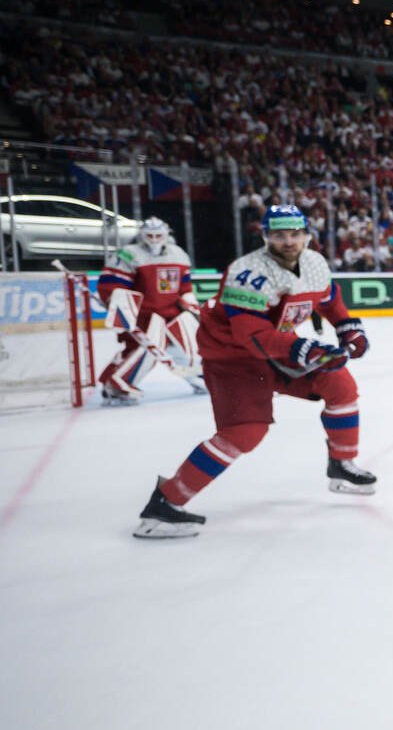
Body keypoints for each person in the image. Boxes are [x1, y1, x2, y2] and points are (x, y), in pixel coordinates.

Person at [135, 205, 375, 538]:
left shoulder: (315, 263)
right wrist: (304, 349)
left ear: (307, 235)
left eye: (295, 234)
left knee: (340, 386)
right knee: (245, 432)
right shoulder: (246, 271)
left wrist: (349, 327)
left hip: (278, 347)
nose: (288, 241)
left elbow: (329, 298)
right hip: (232, 356)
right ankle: (166, 503)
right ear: (265, 236)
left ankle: (342, 464)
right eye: (279, 235)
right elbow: (250, 333)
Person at [97, 217, 203, 402]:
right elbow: (112, 286)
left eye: (158, 235)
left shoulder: (178, 253)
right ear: (142, 235)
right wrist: (119, 303)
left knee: (192, 346)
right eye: (150, 235)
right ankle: (116, 384)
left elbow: (185, 287)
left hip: (173, 314)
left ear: (167, 234)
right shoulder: (129, 254)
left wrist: (190, 303)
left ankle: (199, 376)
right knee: (145, 352)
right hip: (145, 316)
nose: (154, 240)